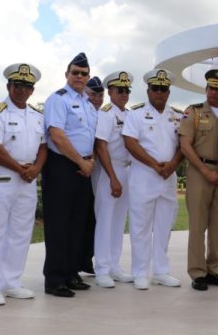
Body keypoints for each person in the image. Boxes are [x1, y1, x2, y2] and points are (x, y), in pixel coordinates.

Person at [0, 63, 46, 306]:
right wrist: (21, 169)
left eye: (27, 86)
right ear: (9, 86)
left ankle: (11, 282)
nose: (22, 90)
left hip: (27, 179)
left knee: (20, 231)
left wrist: (36, 168)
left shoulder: (37, 116)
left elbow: (44, 146)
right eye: (18, 85)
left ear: (32, 90)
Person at [41, 52, 98, 298]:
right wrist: (81, 161)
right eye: (75, 72)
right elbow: (57, 136)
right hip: (62, 166)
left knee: (78, 223)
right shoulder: (58, 99)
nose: (79, 77)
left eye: (84, 74)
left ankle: (71, 273)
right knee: (58, 223)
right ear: (67, 74)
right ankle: (55, 279)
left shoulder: (88, 103)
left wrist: (89, 161)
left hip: (83, 166)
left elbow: (90, 136)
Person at [122, 68, 183, 290]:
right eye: (155, 88)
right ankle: (139, 272)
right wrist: (154, 165)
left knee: (165, 225)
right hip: (143, 176)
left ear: (169, 92)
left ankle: (160, 271)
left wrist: (173, 164)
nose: (159, 92)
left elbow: (184, 145)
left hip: (168, 177)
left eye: (163, 89)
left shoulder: (177, 116)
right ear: (148, 90)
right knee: (140, 227)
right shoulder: (135, 114)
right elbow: (130, 143)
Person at [178, 69, 218, 291]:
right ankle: (197, 272)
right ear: (206, 89)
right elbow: (185, 146)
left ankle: (213, 269)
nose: (214, 92)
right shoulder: (193, 112)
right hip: (199, 172)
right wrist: (205, 171)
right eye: (211, 88)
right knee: (198, 225)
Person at [93, 71, 135, 288]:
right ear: (110, 92)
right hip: (111, 169)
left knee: (119, 221)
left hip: (128, 170)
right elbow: (101, 146)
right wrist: (113, 177)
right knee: (105, 220)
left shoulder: (130, 115)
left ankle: (114, 266)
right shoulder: (106, 114)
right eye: (120, 90)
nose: (124, 94)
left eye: (127, 90)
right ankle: (101, 269)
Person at [80, 75, 103, 275]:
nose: (97, 99)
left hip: (98, 172)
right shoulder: (80, 112)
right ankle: (78, 259)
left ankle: (87, 258)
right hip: (81, 169)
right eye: (93, 94)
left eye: (100, 95)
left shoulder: (103, 115)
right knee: (82, 216)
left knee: (93, 217)